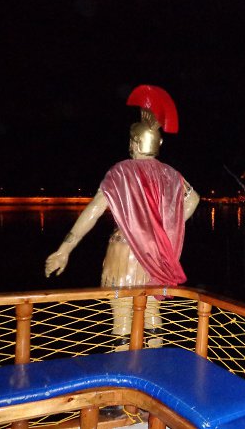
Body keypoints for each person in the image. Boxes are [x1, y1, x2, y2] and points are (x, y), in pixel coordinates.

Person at [45, 85, 200, 350]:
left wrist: (64, 250)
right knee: (151, 314)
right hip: (156, 255)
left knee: (123, 318)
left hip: (124, 254)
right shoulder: (171, 174)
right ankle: (153, 367)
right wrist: (165, 228)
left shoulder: (121, 172)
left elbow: (93, 211)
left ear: (135, 143)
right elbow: (193, 199)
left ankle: (124, 369)